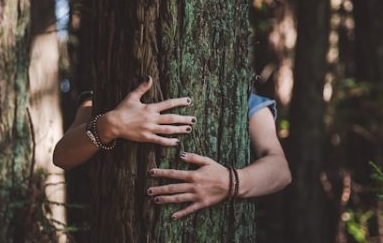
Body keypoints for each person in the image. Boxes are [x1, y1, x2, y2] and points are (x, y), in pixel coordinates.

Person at [53, 75, 291, 219]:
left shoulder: (242, 99)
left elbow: (280, 170)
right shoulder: (105, 92)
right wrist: (112, 124)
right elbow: (63, 155)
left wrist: (230, 182)